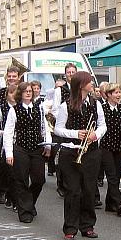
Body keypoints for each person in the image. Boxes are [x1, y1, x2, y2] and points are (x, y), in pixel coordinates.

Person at [54, 71, 106, 240]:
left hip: (91, 152)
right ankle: (70, 228)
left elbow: (102, 125)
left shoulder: (96, 104)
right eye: (89, 82)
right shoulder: (65, 105)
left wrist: (95, 135)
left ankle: (88, 226)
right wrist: (77, 133)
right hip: (71, 151)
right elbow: (58, 129)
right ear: (81, 85)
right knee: (73, 191)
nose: (92, 84)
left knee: (89, 190)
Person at [3, 82, 51, 223]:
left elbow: (45, 128)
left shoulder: (39, 109)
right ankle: (24, 211)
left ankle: (28, 203)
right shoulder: (14, 110)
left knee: (39, 180)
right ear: (21, 93)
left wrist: (47, 146)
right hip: (21, 148)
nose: (28, 93)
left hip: (37, 148)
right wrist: (9, 154)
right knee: (21, 180)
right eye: (25, 91)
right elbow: (8, 132)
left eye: (30, 91)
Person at [97, 82, 121, 215]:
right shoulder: (102, 108)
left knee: (116, 175)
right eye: (116, 93)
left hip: (120, 146)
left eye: (119, 92)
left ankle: (110, 204)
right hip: (106, 146)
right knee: (111, 175)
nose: (118, 95)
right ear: (108, 95)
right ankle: (119, 201)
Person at [51, 63, 78, 197]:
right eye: (69, 72)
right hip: (64, 127)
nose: (71, 74)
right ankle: (61, 184)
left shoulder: (80, 88)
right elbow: (55, 109)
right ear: (65, 74)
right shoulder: (59, 90)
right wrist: (64, 120)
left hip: (77, 128)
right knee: (62, 156)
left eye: (73, 72)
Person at [0, 85, 18, 209]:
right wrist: (4, 132)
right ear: (7, 95)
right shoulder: (1, 109)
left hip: (18, 142)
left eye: (15, 92)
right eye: (11, 93)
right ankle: (3, 192)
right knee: (6, 169)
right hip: (5, 142)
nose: (13, 95)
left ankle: (14, 197)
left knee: (16, 172)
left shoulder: (20, 108)